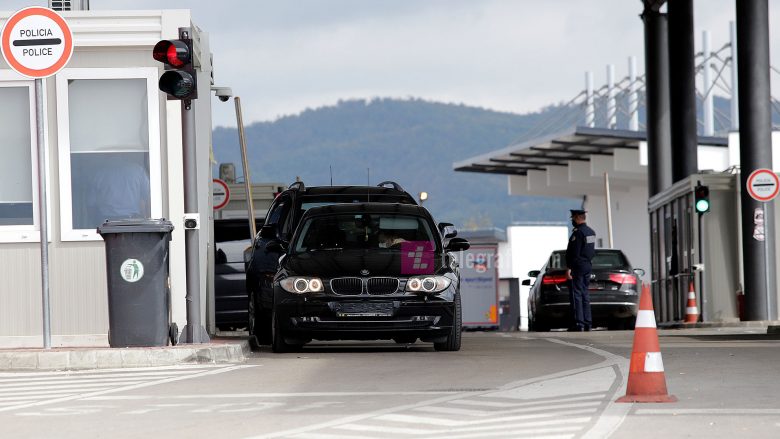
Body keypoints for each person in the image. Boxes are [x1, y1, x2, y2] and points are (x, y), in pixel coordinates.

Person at [565, 209, 596, 331]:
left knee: (577, 294)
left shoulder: (578, 233)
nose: (572, 220)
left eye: (573, 218)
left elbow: (574, 253)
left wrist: (569, 268)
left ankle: (579, 323)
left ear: (577, 218)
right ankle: (588, 322)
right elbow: (591, 251)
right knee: (585, 294)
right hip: (587, 265)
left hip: (578, 266)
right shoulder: (591, 232)